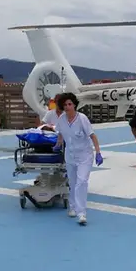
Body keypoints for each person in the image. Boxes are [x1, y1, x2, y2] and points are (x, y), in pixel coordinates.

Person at [52, 92, 104, 226]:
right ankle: (73, 207)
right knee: (73, 182)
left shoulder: (82, 119)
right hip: (70, 155)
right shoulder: (62, 119)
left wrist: (98, 152)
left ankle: (82, 213)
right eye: (65, 105)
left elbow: (93, 136)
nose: (68, 107)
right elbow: (60, 133)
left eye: (70, 104)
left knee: (82, 181)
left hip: (84, 156)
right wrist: (58, 145)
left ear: (74, 105)